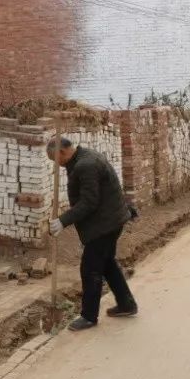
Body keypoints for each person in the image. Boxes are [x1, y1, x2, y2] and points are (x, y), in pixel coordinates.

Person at [47, 137, 138, 332]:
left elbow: (89, 202)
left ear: (62, 153)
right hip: (112, 219)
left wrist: (63, 221)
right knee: (107, 264)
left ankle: (89, 316)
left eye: (55, 160)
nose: (57, 164)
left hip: (105, 225)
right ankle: (126, 304)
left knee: (90, 269)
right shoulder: (84, 158)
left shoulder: (86, 165)